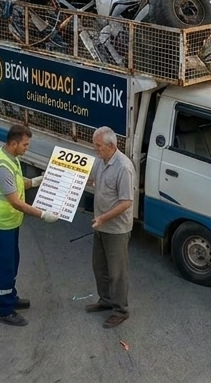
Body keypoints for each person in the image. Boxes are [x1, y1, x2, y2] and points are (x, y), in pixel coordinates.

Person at [0, 125, 58, 326]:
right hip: (0, 224)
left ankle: (10, 297)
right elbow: (15, 201)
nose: (27, 148)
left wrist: (34, 182)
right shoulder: (2, 167)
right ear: (14, 143)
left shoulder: (10, 158)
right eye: (25, 144)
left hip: (8, 223)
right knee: (4, 266)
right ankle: (4, 310)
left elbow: (16, 183)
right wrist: (43, 214)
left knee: (12, 261)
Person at [86, 127, 135, 328]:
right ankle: (105, 300)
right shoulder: (101, 160)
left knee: (117, 272)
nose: (94, 149)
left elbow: (126, 202)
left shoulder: (123, 167)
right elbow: (92, 178)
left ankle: (120, 310)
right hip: (101, 224)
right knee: (100, 267)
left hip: (116, 228)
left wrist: (103, 218)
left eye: (97, 145)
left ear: (111, 146)